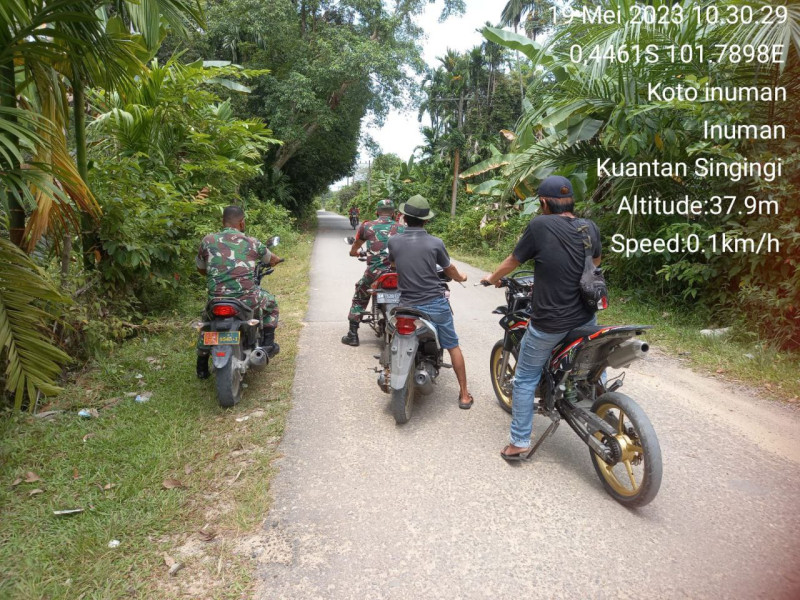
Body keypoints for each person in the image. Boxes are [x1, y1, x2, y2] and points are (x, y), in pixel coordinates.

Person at [480, 176, 602, 461]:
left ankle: (520, 442)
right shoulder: (590, 227)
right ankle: (597, 404)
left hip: (550, 322)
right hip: (586, 316)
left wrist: (491, 278)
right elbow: (594, 263)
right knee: (592, 364)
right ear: (571, 200)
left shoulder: (540, 225)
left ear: (544, 203)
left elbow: (513, 261)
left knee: (523, 379)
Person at [388, 195, 474, 409]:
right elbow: (449, 270)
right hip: (434, 304)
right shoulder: (436, 243)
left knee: (392, 333)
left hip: (406, 305)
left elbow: (393, 265)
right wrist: (461, 277)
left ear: (404, 218)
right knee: (452, 345)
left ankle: (391, 370)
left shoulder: (394, 241)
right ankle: (464, 394)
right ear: (426, 220)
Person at [195, 205, 282, 379]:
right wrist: (276, 260)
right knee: (271, 304)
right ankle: (267, 345)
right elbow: (271, 258)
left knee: (207, 321)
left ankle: (202, 365)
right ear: (242, 223)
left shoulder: (207, 240)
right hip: (246, 299)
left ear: (223, 222)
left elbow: (201, 269)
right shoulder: (252, 242)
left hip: (216, 300)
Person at [342, 199, 405, 346]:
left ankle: (352, 334)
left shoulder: (367, 226)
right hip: (399, 272)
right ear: (393, 213)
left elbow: (356, 245)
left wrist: (353, 252)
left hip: (374, 273)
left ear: (377, 212)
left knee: (360, 294)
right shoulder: (402, 228)